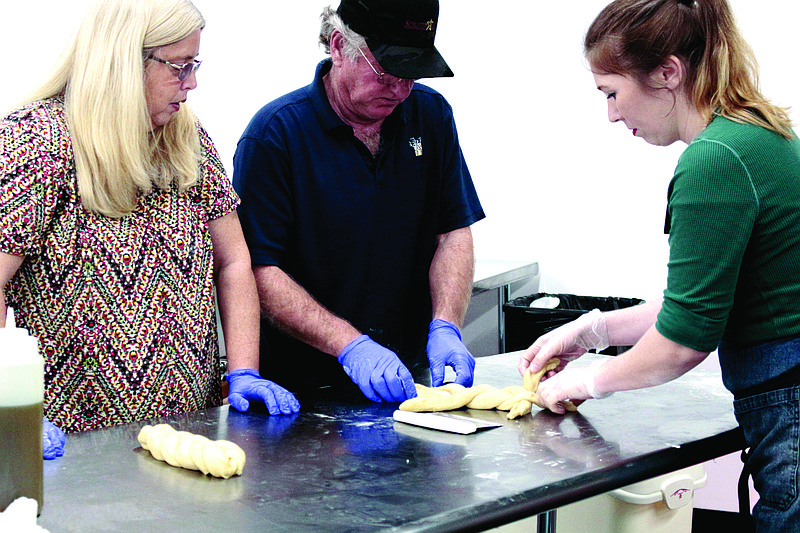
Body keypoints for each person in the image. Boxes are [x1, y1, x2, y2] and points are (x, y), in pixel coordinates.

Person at [518, 0, 800, 530]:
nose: (612, 114)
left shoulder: (715, 159)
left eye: (612, 93)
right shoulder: (760, 135)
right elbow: (700, 302)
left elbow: (681, 343)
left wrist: (586, 382)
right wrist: (591, 329)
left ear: (668, 72)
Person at [0, 0, 300, 448]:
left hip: (186, 431)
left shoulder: (184, 138)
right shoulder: (36, 142)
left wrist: (243, 370)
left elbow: (234, 261)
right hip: (74, 443)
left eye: (194, 65)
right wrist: (9, 408)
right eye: (179, 67)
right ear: (123, 61)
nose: (192, 83)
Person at [233, 0, 485, 403]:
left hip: (413, 381)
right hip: (305, 392)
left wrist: (446, 325)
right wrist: (351, 345)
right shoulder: (275, 136)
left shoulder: (430, 115)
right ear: (338, 45)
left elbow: (452, 231)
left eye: (413, 75)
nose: (401, 90)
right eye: (387, 73)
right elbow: (260, 270)